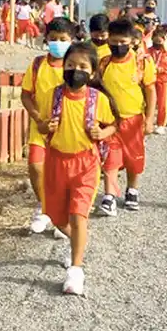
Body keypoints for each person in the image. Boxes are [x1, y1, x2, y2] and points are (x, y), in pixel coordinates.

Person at [39, 42, 118, 295]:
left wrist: (102, 131)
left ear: (93, 73)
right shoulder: (53, 95)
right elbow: (40, 124)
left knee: (78, 214)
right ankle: (77, 242)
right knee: (55, 214)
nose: (76, 70)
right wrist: (46, 127)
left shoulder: (98, 99)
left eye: (83, 67)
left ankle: (76, 269)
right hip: (55, 161)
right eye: (71, 65)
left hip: (86, 164)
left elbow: (113, 125)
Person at [97, 19, 157, 216]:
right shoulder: (104, 63)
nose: (118, 46)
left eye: (123, 42)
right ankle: (109, 196)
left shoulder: (141, 62)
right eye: (114, 42)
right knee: (110, 158)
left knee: (133, 158)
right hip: (109, 120)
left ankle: (132, 189)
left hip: (134, 119)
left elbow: (150, 90)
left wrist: (149, 119)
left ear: (132, 41)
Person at [22, 18, 74, 233]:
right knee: (36, 167)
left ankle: (63, 216)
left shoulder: (75, 65)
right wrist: (37, 118)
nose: (58, 43)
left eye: (63, 40)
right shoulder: (37, 65)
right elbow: (26, 95)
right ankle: (44, 208)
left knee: (64, 174)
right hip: (40, 127)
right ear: (46, 39)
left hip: (69, 129)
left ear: (72, 40)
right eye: (53, 39)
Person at [148, 30, 167, 135]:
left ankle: (161, 124)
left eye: (159, 41)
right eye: (155, 41)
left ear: (164, 40)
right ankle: (148, 122)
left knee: (162, 103)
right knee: (148, 102)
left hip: (163, 80)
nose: (157, 43)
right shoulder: (147, 51)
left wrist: (162, 69)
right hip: (150, 79)